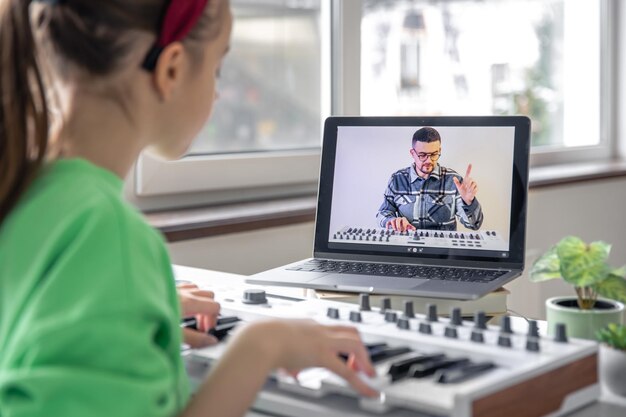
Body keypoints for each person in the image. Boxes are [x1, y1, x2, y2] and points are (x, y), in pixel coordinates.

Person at [0, 1, 377, 417]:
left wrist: (139, 301)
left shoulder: (22, 189)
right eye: (217, 68)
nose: (217, 92)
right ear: (172, 70)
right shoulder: (110, 235)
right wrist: (262, 346)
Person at [376, 127, 483, 232]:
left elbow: (474, 225)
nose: (429, 160)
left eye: (434, 154)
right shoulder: (397, 179)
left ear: (439, 151)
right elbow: (383, 213)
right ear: (412, 153)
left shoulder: (454, 180)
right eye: (422, 155)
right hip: (407, 246)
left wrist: (469, 203)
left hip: (443, 248)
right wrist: (391, 221)